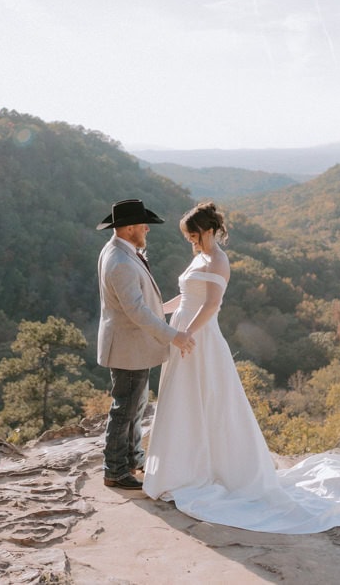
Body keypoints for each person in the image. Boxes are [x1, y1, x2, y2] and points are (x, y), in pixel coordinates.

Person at [143, 201, 340, 533]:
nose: (190, 240)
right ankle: (179, 468)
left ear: (208, 230)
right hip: (182, 333)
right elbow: (186, 296)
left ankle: (207, 469)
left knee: (210, 403)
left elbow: (211, 305)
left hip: (200, 338)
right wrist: (157, 311)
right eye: (188, 235)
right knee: (182, 402)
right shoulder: (199, 257)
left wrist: (186, 334)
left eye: (193, 234)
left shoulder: (219, 260)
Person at [96, 198, 195, 490]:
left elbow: (140, 303)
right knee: (125, 408)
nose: (147, 231)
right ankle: (114, 470)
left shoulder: (120, 251)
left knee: (135, 406)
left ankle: (132, 458)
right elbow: (136, 311)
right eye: (143, 226)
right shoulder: (119, 262)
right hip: (128, 347)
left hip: (132, 345)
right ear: (128, 229)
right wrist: (172, 335)